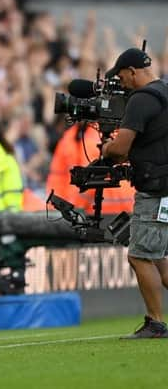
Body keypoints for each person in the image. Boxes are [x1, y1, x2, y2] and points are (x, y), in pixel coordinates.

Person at [102, 47, 168, 338]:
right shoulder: (165, 91)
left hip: (155, 189)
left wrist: (107, 147)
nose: (122, 82)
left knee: (139, 256)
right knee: (160, 259)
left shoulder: (141, 99)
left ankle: (155, 322)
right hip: (166, 186)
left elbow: (120, 149)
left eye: (121, 76)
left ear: (132, 71)